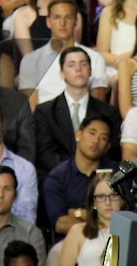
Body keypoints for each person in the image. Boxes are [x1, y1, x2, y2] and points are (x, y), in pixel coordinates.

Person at [35, 47, 119, 178]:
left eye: (83, 64)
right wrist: (74, 173)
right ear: (62, 73)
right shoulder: (45, 112)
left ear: (90, 71)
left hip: (96, 182)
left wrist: (89, 173)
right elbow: (45, 154)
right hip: (59, 182)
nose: (78, 69)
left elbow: (111, 151)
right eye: (71, 65)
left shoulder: (108, 112)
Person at [19, 0, 107, 109]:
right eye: (57, 17)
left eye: (68, 17)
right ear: (48, 22)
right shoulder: (30, 61)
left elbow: (97, 108)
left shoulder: (95, 58)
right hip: (45, 123)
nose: (62, 23)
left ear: (76, 22)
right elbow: (31, 110)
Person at [43, 115, 118, 241]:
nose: (96, 141)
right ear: (78, 135)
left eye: (103, 137)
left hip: (110, 239)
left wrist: (81, 214)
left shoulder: (116, 174)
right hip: (70, 242)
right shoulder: (57, 177)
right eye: (92, 133)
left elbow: (121, 217)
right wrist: (100, 220)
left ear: (107, 147)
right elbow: (61, 224)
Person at [53, 172, 124, 266]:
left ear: (122, 200)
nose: (108, 202)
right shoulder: (78, 232)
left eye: (113, 195)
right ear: (94, 203)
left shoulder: (132, 233)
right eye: (101, 196)